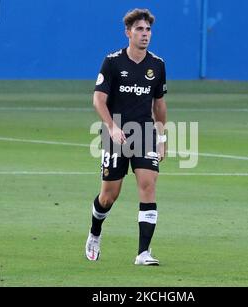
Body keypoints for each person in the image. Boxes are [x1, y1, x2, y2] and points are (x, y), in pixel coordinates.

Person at [85, 8, 168, 265]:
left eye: (148, 30)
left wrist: (162, 138)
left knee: (148, 185)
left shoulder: (157, 65)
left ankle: (143, 253)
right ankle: (94, 233)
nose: (145, 34)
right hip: (116, 133)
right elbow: (98, 99)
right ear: (128, 33)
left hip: (144, 132)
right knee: (109, 195)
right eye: (140, 29)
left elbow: (160, 105)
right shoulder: (112, 62)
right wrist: (111, 127)